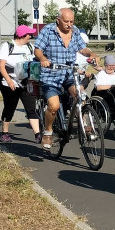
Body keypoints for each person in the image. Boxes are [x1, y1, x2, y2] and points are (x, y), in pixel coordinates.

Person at [33, 8, 93, 150]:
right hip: (50, 74)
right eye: (66, 21)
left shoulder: (75, 31)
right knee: (54, 106)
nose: (69, 24)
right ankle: (48, 132)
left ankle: (83, 123)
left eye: (72, 21)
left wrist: (92, 54)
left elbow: (82, 49)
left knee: (80, 94)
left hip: (69, 73)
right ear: (58, 20)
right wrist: (42, 58)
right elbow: (37, 50)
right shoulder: (48, 31)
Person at [0, 25, 41, 144]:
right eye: (29, 35)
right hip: (9, 83)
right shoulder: (7, 46)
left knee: (31, 109)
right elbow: (1, 65)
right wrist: (9, 81)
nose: (31, 37)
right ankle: (4, 133)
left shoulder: (30, 47)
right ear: (22, 35)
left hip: (26, 83)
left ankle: (37, 134)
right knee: (10, 108)